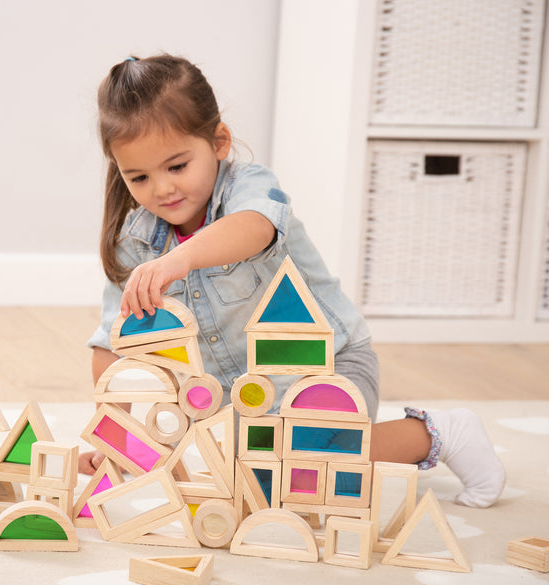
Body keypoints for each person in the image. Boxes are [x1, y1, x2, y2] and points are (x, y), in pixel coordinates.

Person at [81, 54, 505, 509]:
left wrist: (177, 260)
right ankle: (308, 463)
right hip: (246, 407)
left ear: (219, 141)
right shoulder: (136, 242)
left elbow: (254, 228)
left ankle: (436, 434)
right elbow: (117, 349)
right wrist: (116, 439)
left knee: (302, 466)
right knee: (263, 491)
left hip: (331, 371)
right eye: (139, 177)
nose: (162, 189)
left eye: (177, 166)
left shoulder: (249, 188)